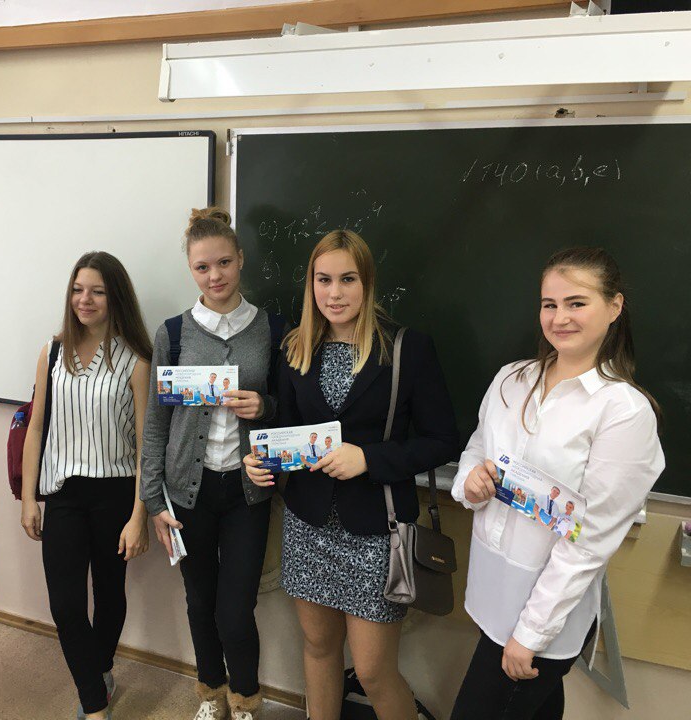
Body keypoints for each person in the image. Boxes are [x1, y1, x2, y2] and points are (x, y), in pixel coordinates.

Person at [244, 229, 458, 720]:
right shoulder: (295, 347)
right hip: (308, 523)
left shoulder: (406, 349)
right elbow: (286, 430)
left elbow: (444, 440)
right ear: (311, 284)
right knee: (319, 650)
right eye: (323, 280)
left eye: (347, 279)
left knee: (373, 671)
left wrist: (369, 459)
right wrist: (263, 463)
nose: (334, 293)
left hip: (377, 530)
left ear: (367, 282)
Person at [450, 247, 664, 720]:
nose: (559, 317)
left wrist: (530, 634)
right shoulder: (511, 379)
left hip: (543, 619)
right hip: (490, 595)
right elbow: (476, 451)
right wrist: (470, 483)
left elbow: (588, 541)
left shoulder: (622, 412)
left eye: (576, 303)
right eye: (550, 304)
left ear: (614, 306)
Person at [142, 207, 282, 720]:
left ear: (240, 259)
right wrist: (152, 498)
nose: (215, 276)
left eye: (224, 262)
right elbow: (156, 420)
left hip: (247, 491)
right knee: (199, 602)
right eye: (202, 267)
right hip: (187, 491)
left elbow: (291, 409)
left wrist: (264, 406)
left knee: (235, 610)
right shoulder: (174, 334)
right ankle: (210, 693)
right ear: (191, 270)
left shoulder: (272, 329)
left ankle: (245, 698)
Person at [20, 251, 152, 720]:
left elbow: (145, 446)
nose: (85, 299)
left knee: (110, 594)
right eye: (78, 290)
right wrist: (30, 498)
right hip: (63, 493)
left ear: (116, 297)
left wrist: (139, 516)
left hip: (115, 493)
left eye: (97, 291)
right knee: (66, 605)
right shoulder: (52, 352)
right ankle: (95, 704)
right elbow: (37, 427)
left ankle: (102, 670)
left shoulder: (136, 360)